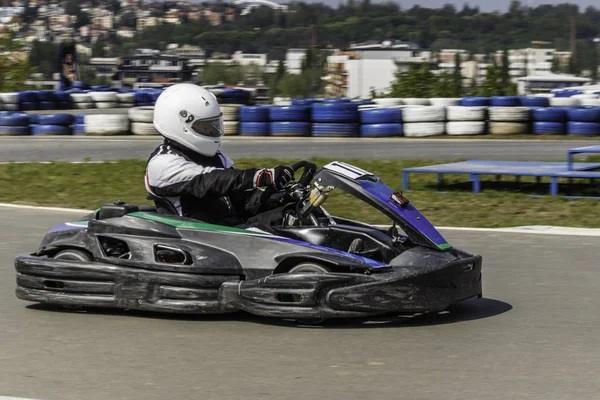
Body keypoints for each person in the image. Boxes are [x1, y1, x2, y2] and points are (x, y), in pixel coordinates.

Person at [144, 83, 295, 229]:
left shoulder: (216, 157)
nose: (212, 131)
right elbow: (209, 181)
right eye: (205, 127)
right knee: (277, 236)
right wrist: (261, 176)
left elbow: (242, 200)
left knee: (295, 217)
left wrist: (280, 196)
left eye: (214, 125)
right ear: (179, 125)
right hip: (200, 239)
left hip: (231, 232)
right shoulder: (162, 164)